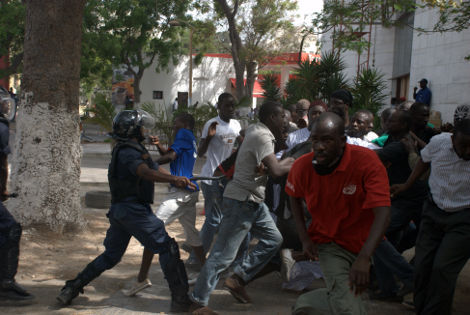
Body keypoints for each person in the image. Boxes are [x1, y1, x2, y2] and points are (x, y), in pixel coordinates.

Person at [57, 110, 195, 312]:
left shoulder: (133, 148)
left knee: (111, 256)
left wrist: (179, 180)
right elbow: (145, 172)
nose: (144, 130)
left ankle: (72, 287)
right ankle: (181, 301)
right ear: (132, 130)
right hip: (133, 211)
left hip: (122, 212)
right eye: (141, 126)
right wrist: (174, 180)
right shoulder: (128, 152)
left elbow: (155, 168)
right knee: (167, 248)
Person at [189, 101, 294, 314]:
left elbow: (264, 166)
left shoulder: (257, 130)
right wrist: (295, 161)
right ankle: (198, 302)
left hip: (253, 199)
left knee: (274, 239)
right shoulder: (263, 135)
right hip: (242, 201)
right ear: (272, 117)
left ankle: (237, 277)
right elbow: (275, 170)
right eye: (283, 116)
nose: (287, 121)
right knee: (222, 256)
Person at [287, 112, 390, 315]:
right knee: (350, 308)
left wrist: (364, 257)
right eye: (315, 140)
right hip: (330, 244)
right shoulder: (301, 166)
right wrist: (305, 238)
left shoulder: (366, 161)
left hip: (363, 243)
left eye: (327, 140)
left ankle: (306, 303)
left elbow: (383, 213)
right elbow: (293, 197)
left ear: (342, 141)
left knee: (348, 296)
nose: (320, 146)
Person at [391, 106, 470, 315]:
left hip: (463, 218)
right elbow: (423, 162)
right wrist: (406, 185)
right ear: (453, 139)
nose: (467, 152)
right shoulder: (439, 143)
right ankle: (421, 306)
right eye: (463, 146)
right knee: (422, 266)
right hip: (433, 212)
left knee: (443, 269)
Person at [125, 112, 205, 296]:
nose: (174, 125)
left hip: (180, 193)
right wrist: (158, 146)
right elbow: (171, 155)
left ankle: (141, 279)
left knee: (152, 229)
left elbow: (168, 158)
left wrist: (148, 165)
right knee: (192, 234)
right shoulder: (190, 138)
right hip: (188, 192)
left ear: (185, 124)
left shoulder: (184, 134)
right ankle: (208, 272)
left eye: (176, 122)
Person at [197, 93, 241, 256]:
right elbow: (200, 152)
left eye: (233, 106)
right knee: (214, 219)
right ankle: (197, 255)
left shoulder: (236, 124)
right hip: (212, 179)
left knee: (226, 218)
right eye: (227, 106)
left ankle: (222, 254)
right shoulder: (212, 123)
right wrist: (208, 138)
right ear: (219, 106)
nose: (230, 109)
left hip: (228, 178)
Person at [376, 110, 427, 250]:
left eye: (392, 121)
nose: (387, 123)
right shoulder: (392, 138)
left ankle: (401, 266)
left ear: (404, 124)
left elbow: (376, 155)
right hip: (399, 195)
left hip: (408, 198)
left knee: (379, 231)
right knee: (389, 235)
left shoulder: (402, 143)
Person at [0, 105, 34, 303]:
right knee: (10, 228)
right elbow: (1, 161)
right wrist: (2, 189)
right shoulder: (1, 127)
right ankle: (5, 285)